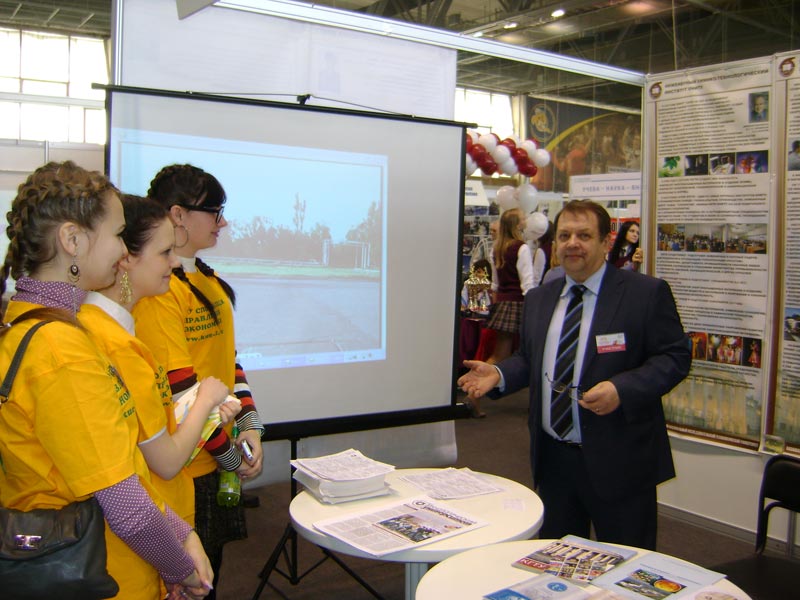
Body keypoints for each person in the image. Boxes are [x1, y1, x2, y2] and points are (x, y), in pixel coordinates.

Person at [0, 161, 212, 599]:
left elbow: (123, 468)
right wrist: (184, 569)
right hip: (106, 579)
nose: (122, 250)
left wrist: (180, 533)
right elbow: (127, 508)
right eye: (117, 234)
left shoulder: (39, 324)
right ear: (73, 240)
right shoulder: (60, 351)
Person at [458, 199, 691, 549]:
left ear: (606, 242)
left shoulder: (644, 294)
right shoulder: (540, 298)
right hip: (554, 460)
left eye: (584, 235)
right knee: (559, 561)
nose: (572, 244)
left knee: (627, 561)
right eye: (565, 235)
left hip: (620, 458)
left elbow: (675, 357)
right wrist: (500, 374)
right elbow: (530, 358)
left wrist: (622, 389)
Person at [133, 164, 265, 599]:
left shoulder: (207, 280)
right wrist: (231, 457)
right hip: (187, 469)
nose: (222, 222)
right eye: (214, 211)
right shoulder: (159, 292)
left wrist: (250, 426)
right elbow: (182, 392)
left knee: (211, 576)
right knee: (192, 583)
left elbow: (228, 364)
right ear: (178, 214)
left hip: (216, 457)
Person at [79, 194, 238, 529]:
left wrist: (206, 413)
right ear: (126, 259)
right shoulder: (116, 344)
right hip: (149, 519)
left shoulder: (118, 331)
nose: (175, 262)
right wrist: (205, 400)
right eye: (165, 253)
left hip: (160, 511)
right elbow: (165, 461)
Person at [468, 208, 533, 418]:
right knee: (529, 353)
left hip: (503, 304)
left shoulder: (498, 248)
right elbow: (528, 284)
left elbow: (495, 285)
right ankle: (473, 393)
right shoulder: (521, 248)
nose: (526, 221)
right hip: (519, 304)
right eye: (523, 218)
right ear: (517, 224)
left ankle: (473, 395)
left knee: (499, 354)